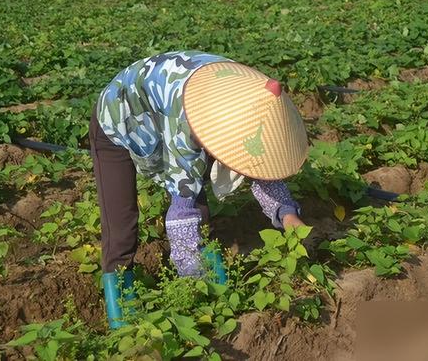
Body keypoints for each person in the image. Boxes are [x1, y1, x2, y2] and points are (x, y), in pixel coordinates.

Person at [89, 51, 309, 329]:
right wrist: (196, 283)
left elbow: (258, 161)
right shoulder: (187, 125)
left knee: (199, 207)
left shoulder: (253, 98)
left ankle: (213, 291)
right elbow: (182, 212)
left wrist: (287, 213)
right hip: (119, 114)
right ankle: (122, 320)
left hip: (171, 105)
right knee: (121, 224)